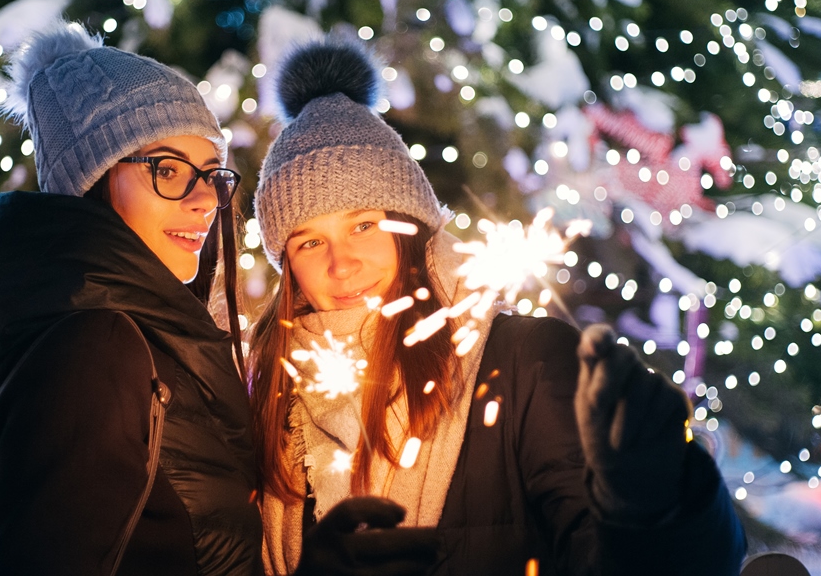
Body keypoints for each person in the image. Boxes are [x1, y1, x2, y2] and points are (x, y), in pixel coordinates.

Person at [249, 39, 748, 575]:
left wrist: (663, 502)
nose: (340, 264)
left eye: (364, 225)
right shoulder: (273, 405)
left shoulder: (526, 362)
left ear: (411, 229)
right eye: (308, 242)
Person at [0, 21, 261, 576]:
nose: (205, 200)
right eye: (169, 170)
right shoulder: (97, 348)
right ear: (92, 181)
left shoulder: (118, 330)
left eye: (211, 175)